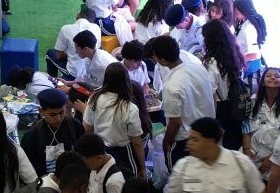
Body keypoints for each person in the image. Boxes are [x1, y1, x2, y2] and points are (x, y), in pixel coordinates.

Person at [151, 35, 215, 167]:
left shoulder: (172, 85)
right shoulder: (199, 68)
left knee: (186, 179)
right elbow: (212, 97)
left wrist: (167, 142)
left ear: (161, 60)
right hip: (209, 132)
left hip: (187, 141)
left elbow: (175, 121)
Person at [84, 63, 146, 180]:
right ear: (126, 80)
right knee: (127, 188)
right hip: (123, 154)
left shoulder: (94, 98)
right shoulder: (130, 108)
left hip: (100, 152)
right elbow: (137, 143)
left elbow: (87, 129)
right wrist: (142, 167)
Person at [200, 17, 248, 151]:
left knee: (222, 148)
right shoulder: (236, 55)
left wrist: (212, 121)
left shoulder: (212, 63)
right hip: (236, 106)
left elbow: (212, 95)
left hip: (222, 110)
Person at [21, 88, 85, 180]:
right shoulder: (32, 136)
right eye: (53, 114)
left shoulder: (75, 126)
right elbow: (29, 168)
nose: (58, 118)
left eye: (61, 113)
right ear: (41, 111)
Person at [243, 67, 280, 173]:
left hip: (274, 155)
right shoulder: (254, 100)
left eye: (277, 76)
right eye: (268, 75)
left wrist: (272, 158)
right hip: (252, 151)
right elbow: (246, 127)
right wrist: (246, 150)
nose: (272, 77)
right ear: (262, 82)